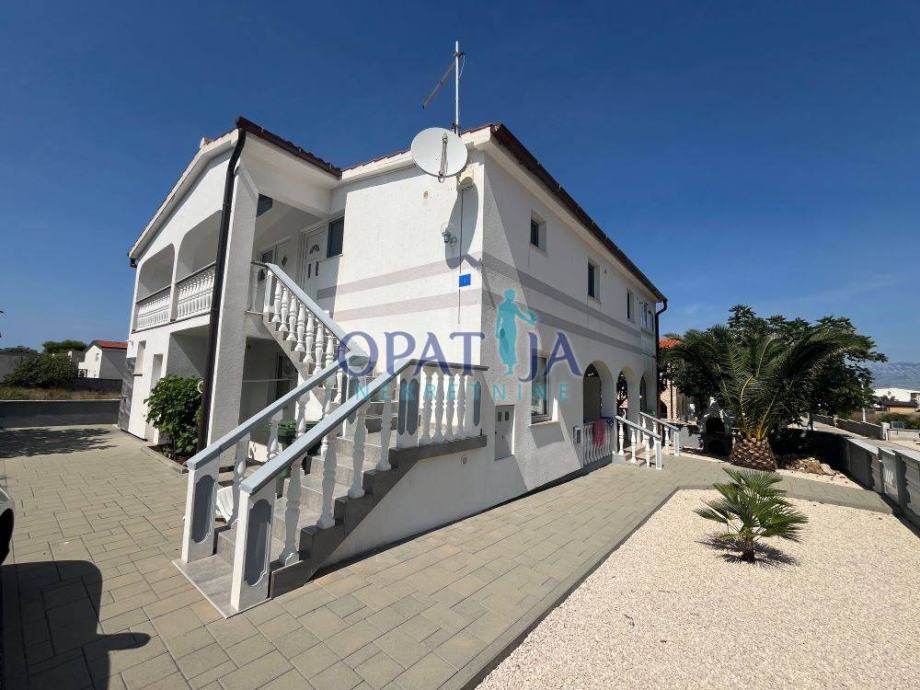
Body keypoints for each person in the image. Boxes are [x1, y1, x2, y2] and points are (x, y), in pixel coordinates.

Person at [496, 289, 537, 375]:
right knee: (502, 347)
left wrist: (528, 320)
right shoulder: (501, 306)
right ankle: (508, 365)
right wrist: (497, 330)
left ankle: (510, 368)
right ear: (508, 295)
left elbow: (520, 315)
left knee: (510, 345)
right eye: (512, 295)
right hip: (504, 327)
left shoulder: (513, 306)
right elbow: (498, 319)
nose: (514, 296)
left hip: (511, 327)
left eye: (514, 295)